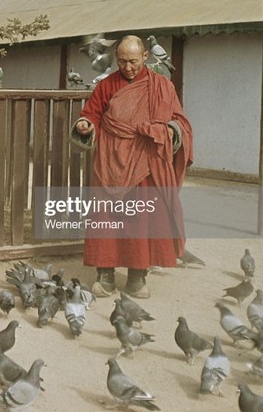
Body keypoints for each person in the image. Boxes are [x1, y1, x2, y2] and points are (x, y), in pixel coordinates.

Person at [71, 35, 192, 299]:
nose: (127, 67)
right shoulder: (106, 86)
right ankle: (105, 276)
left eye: (133, 61)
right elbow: (91, 114)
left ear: (146, 56)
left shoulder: (162, 86)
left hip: (145, 162)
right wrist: (85, 125)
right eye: (122, 61)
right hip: (110, 161)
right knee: (106, 220)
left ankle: (137, 277)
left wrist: (169, 131)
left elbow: (179, 120)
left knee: (141, 219)